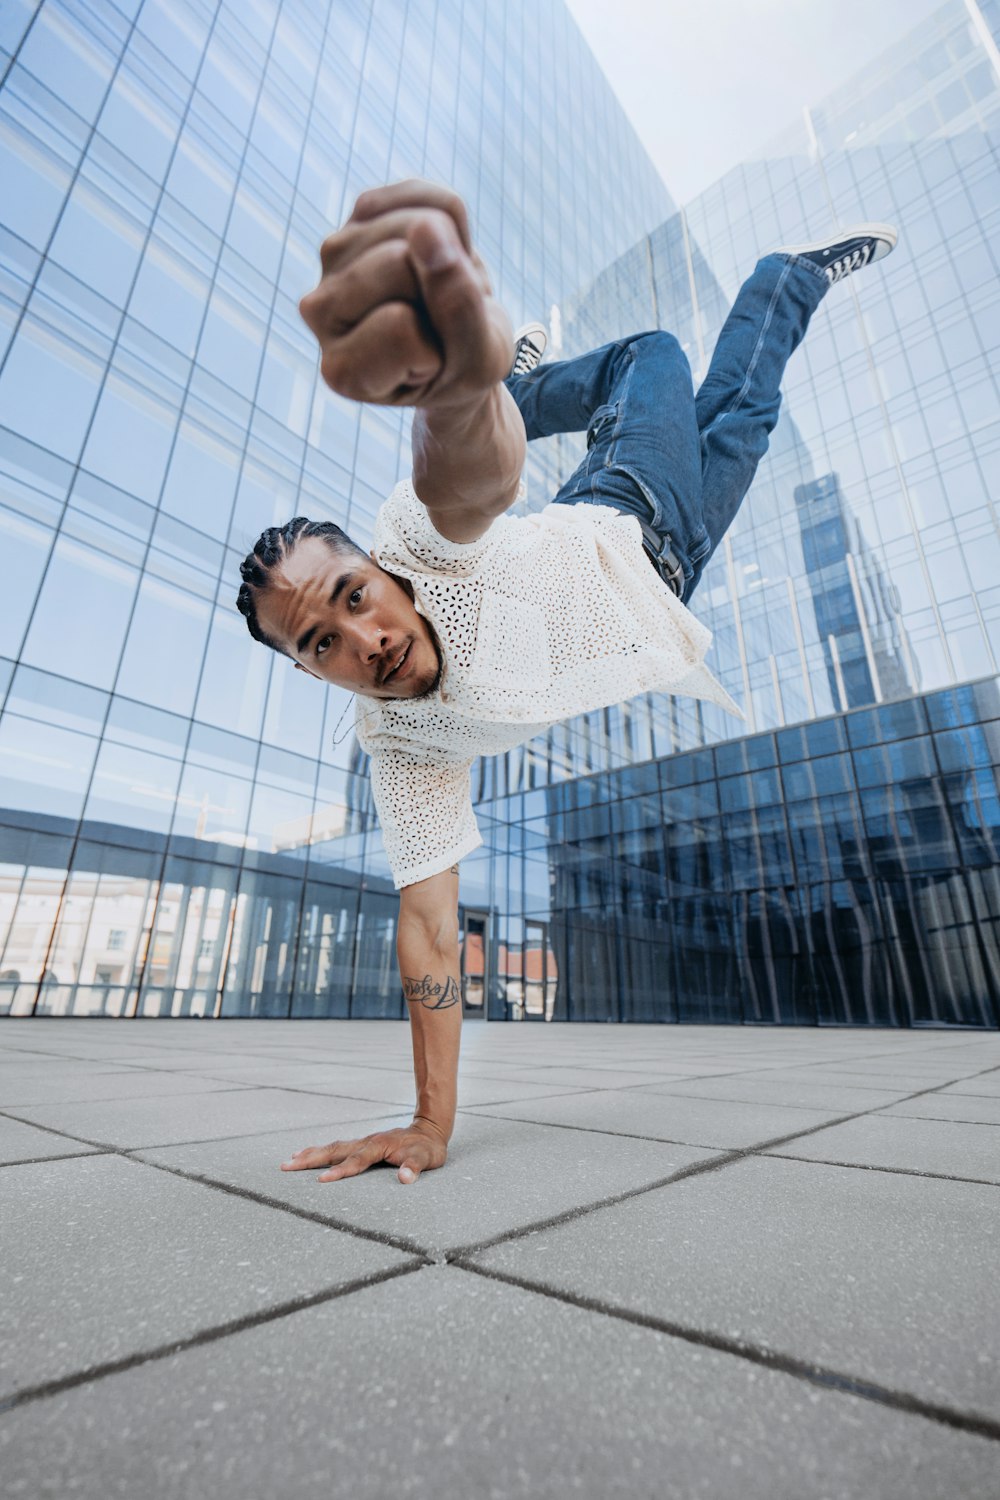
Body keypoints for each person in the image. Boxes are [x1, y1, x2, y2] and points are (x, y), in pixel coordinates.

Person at [235, 180, 897, 1187]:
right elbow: (427, 933)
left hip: (629, 500)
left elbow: (473, 477)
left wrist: (461, 386)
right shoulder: (399, 745)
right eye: (319, 644)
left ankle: (523, 379)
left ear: (376, 564)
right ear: (309, 671)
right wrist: (428, 1124)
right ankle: (787, 278)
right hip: (678, 569)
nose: (361, 637)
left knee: (652, 358)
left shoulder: (418, 542)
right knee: (746, 405)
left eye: (352, 595)